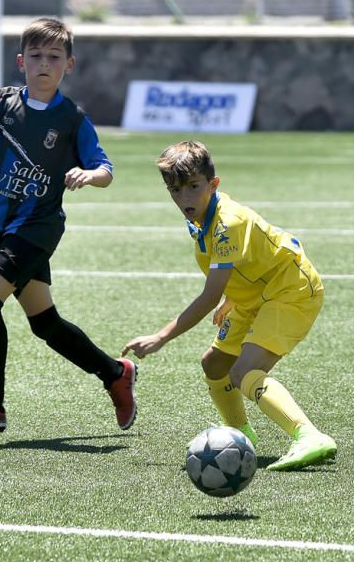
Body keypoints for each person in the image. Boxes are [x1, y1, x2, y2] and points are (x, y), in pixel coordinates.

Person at [0, 17, 136, 433]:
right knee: (45, 323)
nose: (44, 64)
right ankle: (114, 373)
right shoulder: (0, 103)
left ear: (69, 65)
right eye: (36, 56)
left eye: (54, 57)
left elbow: (105, 168)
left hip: (38, 228)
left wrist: (90, 175)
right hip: (7, 227)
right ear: (21, 62)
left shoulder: (71, 119)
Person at [121, 141, 336, 471]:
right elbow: (247, 260)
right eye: (175, 190)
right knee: (215, 365)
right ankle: (240, 434)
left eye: (193, 187)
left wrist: (161, 337)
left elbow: (208, 296)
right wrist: (233, 297)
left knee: (245, 371)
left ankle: (308, 436)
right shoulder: (199, 218)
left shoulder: (228, 223)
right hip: (255, 294)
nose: (185, 199)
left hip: (290, 290)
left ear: (213, 184)